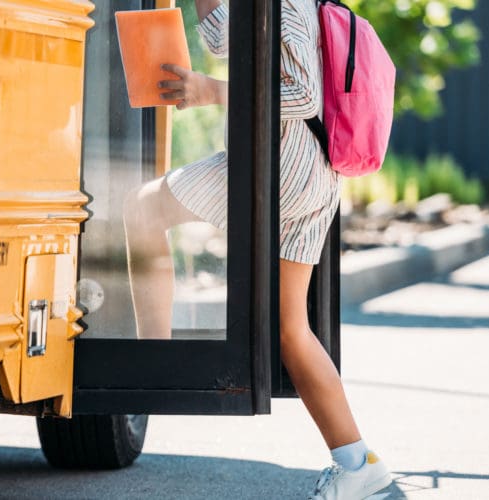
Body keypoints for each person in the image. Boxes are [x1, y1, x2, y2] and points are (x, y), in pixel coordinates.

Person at [121, 1, 392, 498]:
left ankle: (152, 362)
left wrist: (210, 91)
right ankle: (359, 465)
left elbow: (303, 96)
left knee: (142, 210)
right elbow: (230, 39)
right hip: (315, 176)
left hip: (281, 165)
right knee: (292, 330)